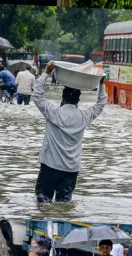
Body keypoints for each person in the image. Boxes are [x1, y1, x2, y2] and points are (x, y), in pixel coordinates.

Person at [33, 61, 107, 203]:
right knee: (64, 203)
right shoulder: (84, 117)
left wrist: (46, 72)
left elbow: (37, 95)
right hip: (71, 169)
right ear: (78, 100)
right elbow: (101, 104)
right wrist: (102, 83)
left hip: (50, 166)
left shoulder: (53, 112)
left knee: (43, 200)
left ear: (62, 97)